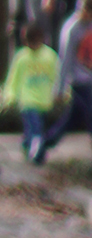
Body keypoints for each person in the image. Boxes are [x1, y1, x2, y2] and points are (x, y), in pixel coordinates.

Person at [35, 0, 92, 169]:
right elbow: (65, 60)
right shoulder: (72, 29)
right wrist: (60, 87)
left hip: (89, 78)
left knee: (72, 120)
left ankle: (44, 144)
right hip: (78, 81)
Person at [1, 18, 59, 160]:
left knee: (34, 129)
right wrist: (10, 96)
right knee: (36, 129)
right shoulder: (22, 58)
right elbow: (14, 78)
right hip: (28, 101)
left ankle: (27, 145)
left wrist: (59, 92)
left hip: (44, 100)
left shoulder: (50, 56)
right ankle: (38, 155)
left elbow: (56, 75)